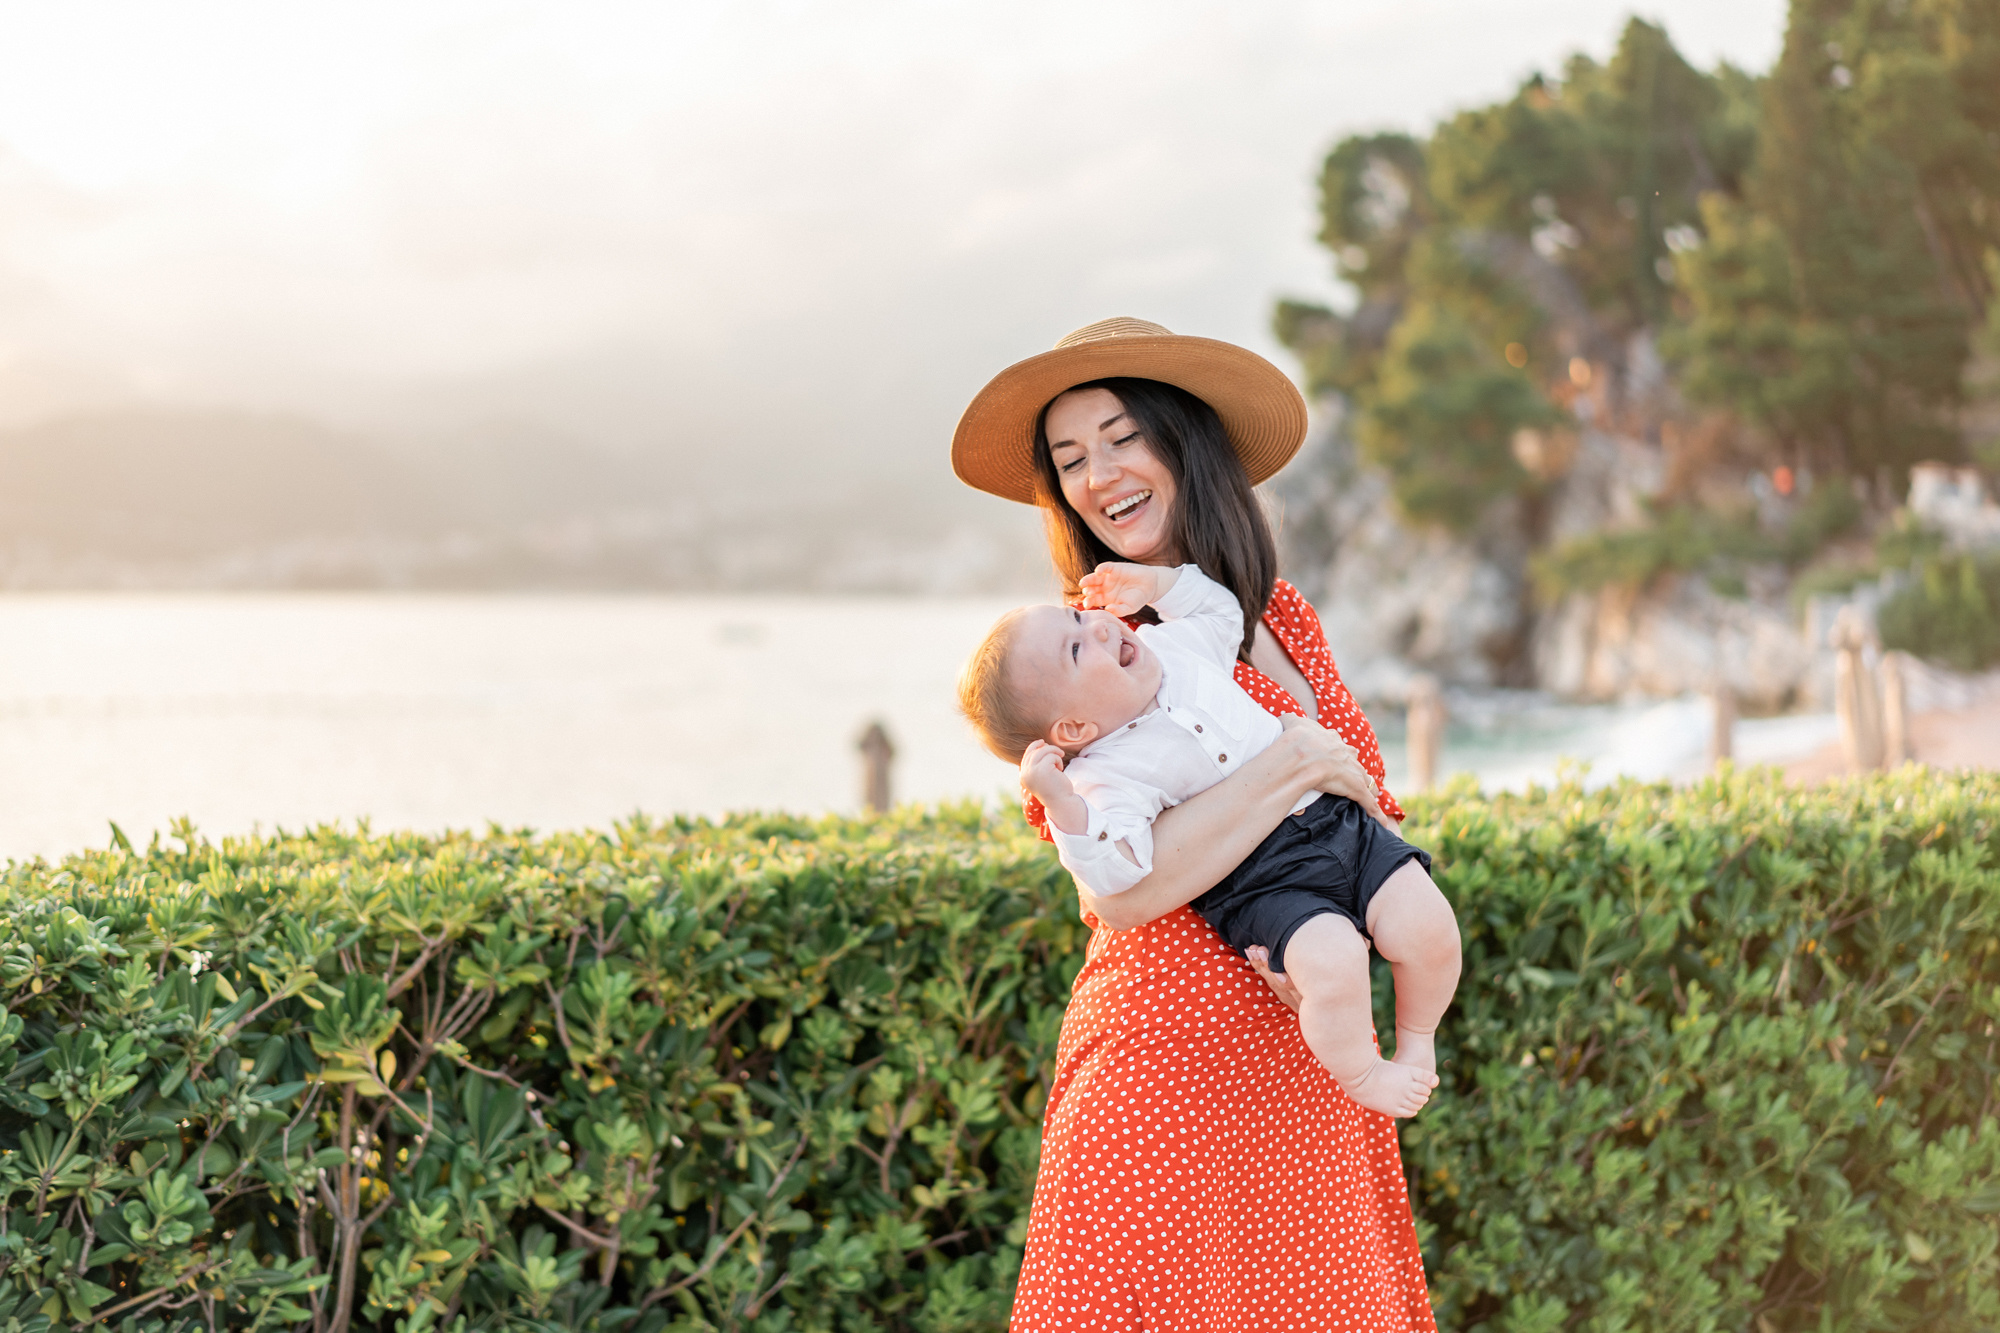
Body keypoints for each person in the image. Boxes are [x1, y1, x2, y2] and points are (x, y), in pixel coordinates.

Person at [950, 316, 1439, 1331]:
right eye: (1069, 457)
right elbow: (1119, 888)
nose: (1099, 474)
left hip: (1310, 1060)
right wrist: (1294, 765)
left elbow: (1371, 814)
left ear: (1184, 444)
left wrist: (1312, 776)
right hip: (1159, 1072)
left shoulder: (1276, 616)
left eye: (1122, 436)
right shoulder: (1082, 658)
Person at [957, 558, 1460, 1119]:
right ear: (1073, 731)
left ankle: (1418, 1041)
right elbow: (1117, 873)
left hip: (1336, 822)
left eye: (1079, 617)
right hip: (1262, 879)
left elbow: (1219, 609)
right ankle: (1364, 1073)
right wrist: (1063, 806)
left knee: (1429, 925)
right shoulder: (1099, 776)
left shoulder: (1174, 647)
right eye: (1075, 650)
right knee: (1333, 962)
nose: (1097, 626)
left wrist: (1156, 585)